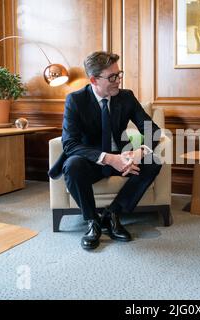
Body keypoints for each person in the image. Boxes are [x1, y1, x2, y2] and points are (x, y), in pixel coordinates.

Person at [49, 51, 162, 250]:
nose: (118, 80)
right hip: (91, 161)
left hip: (122, 156)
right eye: (112, 77)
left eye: (119, 74)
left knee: (154, 162)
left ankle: (113, 214)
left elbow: (152, 130)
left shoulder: (126, 97)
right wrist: (110, 159)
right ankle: (92, 222)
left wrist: (139, 153)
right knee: (72, 165)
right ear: (94, 79)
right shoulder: (75, 100)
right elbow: (70, 144)